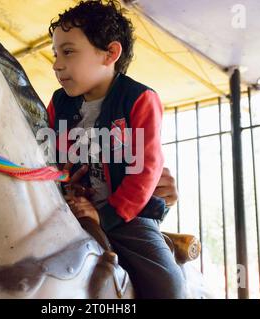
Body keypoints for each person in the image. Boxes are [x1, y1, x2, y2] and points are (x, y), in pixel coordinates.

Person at [46, 0, 186, 298]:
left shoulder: (138, 99)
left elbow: (145, 172)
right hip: (69, 211)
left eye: (68, 52)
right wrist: (62, 179)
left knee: (167, 286)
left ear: (110, 53)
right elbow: (46, 155)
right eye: (55, 53)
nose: (56, 64)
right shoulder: (59, 103)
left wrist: (107, 216)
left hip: (126, 219)